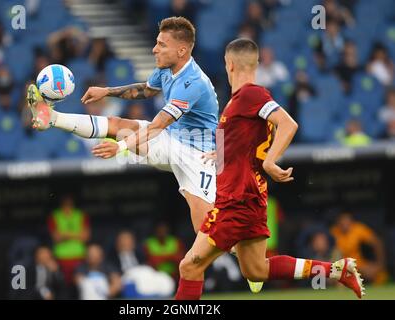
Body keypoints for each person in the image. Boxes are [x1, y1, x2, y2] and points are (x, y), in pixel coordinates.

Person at [174, 38, 365, 300]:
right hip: (251, 199)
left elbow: (288, 124)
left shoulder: (252, 94)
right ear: (256, 63)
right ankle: (335, 271)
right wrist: (222, 152)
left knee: (189, 265)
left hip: (236, 201)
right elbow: (248, 141)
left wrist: (270, 161)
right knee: (255, 270)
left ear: (229, 64)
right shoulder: (238, 102)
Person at [27, 17, 217, 236]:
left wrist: (120, 147)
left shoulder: (191, 83)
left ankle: (254, 259)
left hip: (199, 155)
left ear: (182, 50)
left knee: (208, 234)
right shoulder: (167, 69)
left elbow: (156, 126)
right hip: (173, 139)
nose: (154, 49)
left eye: (162, 45)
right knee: (116, 124)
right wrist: (106, 91)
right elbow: (146, 90)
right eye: (156, 42)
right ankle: (51, 117)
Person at [330, 212, 389, 285]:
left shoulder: (358, 229)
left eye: (347, 222)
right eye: (342, 223)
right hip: (341, 266)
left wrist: (380, 263)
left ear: (352, 222)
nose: (345, 225)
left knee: (380, 274)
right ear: (338, 223)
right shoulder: (333, 232)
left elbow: (377, 243)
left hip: (358, 264)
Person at [48, 194, 91, 285]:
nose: (68, 205)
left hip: (79, 257)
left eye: (69, 203)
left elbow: (85, 237)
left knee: (80, 285)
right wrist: (76, 235)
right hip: (61, 258)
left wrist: (66, 234)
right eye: (65, 203)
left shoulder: (81, 215)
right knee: (63, 286)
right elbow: (56, 237)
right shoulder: (55, 215)